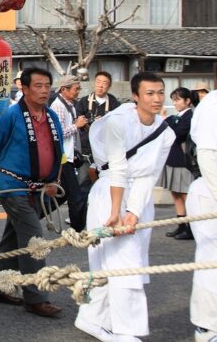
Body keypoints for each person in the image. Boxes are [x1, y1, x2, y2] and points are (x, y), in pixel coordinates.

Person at [74, 72, 175, 342]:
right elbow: (117, 169)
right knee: (121, 263)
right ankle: (125, 330)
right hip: (110, 192)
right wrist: (117, 213)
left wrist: (134, 212)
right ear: (136, 96)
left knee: (128, 260)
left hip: (138, 197)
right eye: (150, 93)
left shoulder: (166, 132)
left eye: (160, 92)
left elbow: (149, 175)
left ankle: (92, 318)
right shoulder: (118, 121)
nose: (156, 98)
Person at [0, 67, 64, 318]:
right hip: (11, 186)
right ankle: (36, 297)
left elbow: (58, 154)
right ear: (24, 88)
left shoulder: (52, 117)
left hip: (37, 187)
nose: (44, 91)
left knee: (13, 238)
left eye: (47, 86)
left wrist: (54, 180)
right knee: (33, 237)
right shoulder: (11, 116)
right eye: (38, 86)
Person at [188, 89, 217, 341]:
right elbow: (208, 156)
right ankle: (207, 327)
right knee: (212, 262)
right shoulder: (213, 104)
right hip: (211, 194)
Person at [50, 75, 88, 230]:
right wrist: (76, 126)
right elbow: (56, 134)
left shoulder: (70, 105)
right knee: (76, 196)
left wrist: (79, 125)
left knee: (65, 194)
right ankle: (77, 230)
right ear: (64, 89)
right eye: (76, 88)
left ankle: (34, 214)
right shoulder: (58, 106)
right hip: (62, 157)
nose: (78, 91)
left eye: (79, 88)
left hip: (69, 156)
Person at [76, 71, 121, 197]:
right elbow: (78, 122)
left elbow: (118, 123)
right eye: (98, 82)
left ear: (109, 86)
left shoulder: (113, 103)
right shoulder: (84, 101)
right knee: (82, 184)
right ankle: (81, 216)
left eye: (104, 83)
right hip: (86, 150)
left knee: (104, 183)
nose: (100, 86)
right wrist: (92, 122)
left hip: (105, 151)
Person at [160, 87, 196, 241]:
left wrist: (164, 122)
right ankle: (181, 225)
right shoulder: (175, 117)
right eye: (173, 100)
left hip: (183, 161)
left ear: (187, 101)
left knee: (185, 194)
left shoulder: (190, 117)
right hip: (171, 159)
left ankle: (191, 228)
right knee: (175, 194)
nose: (175, 103)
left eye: (178, 100)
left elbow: (176, 134)